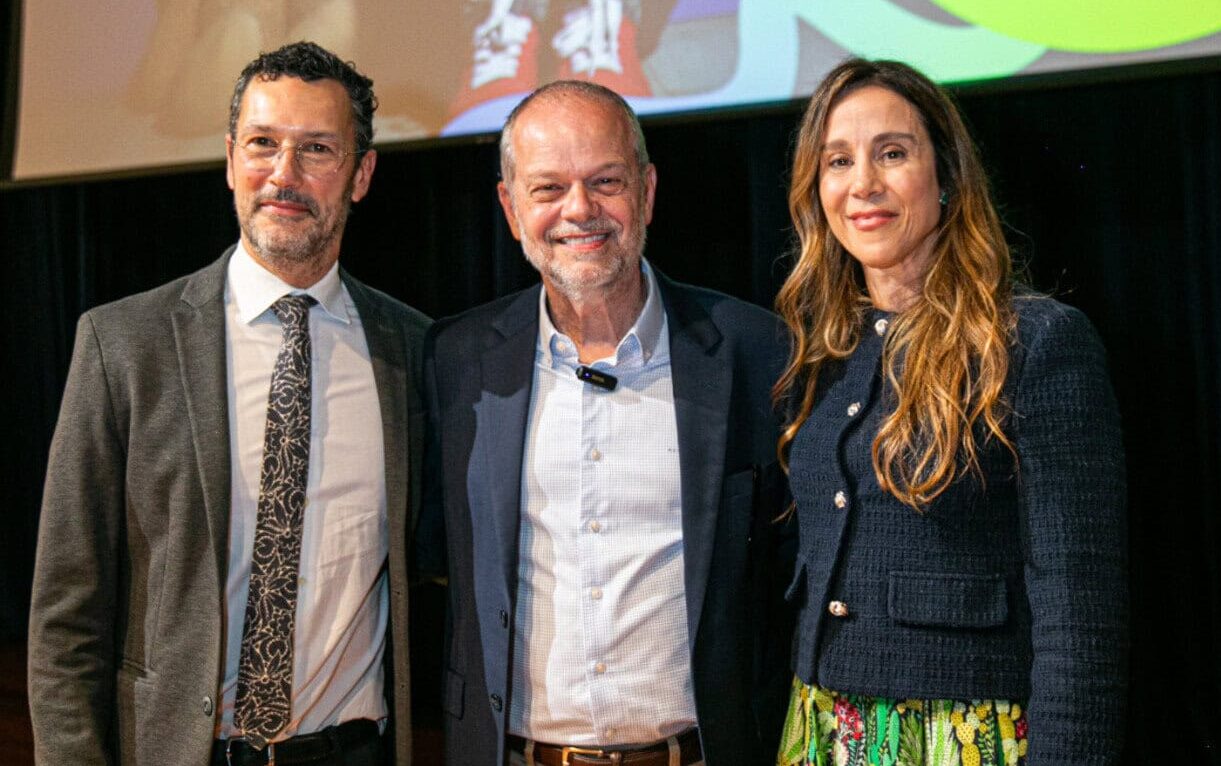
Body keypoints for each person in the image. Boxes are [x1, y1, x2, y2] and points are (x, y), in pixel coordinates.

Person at [28, 42, 430, 766]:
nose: (284, 174)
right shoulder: (123, 346)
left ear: (361, 174)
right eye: (262, 144)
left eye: (317, 149)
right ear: (228, 159)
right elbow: (65, 620)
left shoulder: (414, 354)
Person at [422, 80, 792, 766]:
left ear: (647, 192)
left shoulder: (754, 352)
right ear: (509, 207)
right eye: (548, 189)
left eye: (605, 182)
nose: (579, 210)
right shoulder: (456, 361)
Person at [772, 58, 1127, 765]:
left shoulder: (1033, 341)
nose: (863, 184)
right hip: (819, 734)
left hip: (965, 741)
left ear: (948, 176)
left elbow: (1080, 619)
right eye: (838, 160)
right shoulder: (822, 353)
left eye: (893, 153)